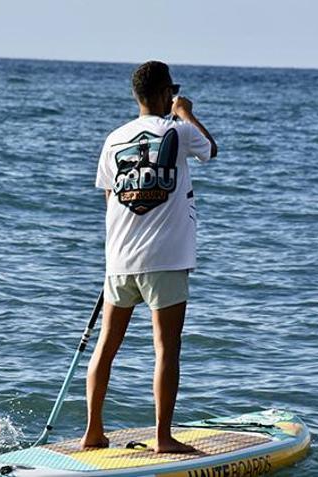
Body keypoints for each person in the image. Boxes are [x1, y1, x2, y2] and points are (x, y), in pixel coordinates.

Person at [82, 60, 218, 453]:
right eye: (170, 92)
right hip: (166, 259)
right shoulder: (177, 129)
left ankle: (94, 431)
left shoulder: (113, 139)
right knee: (166, 348)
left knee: (106, 345)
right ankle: (162, 437)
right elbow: (211, 150)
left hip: (120, 260)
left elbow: (111, 198)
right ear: (162, 94)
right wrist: (185, 111)